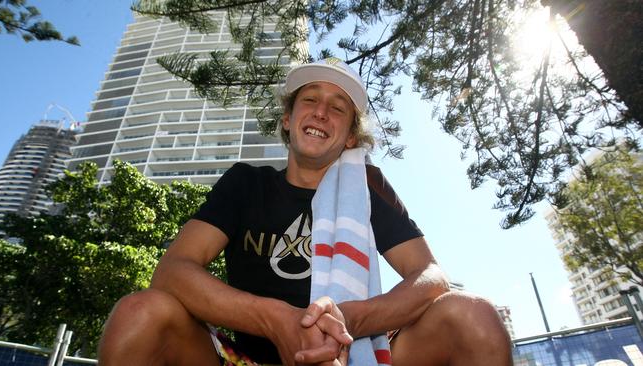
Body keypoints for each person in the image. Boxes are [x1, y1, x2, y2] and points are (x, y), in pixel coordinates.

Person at [97, 58, 513, 366]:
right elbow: (172, 271)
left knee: (474, 315)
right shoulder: (246, 183)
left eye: (338, 107)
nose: (320, 111)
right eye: (310, 100)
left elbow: (431, 276)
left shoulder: (369, 186)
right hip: (248, 358)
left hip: (356, 355)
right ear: (288, 119)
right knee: (140, 312)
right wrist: (276, 319)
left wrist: (347, 319)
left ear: (351, 137)